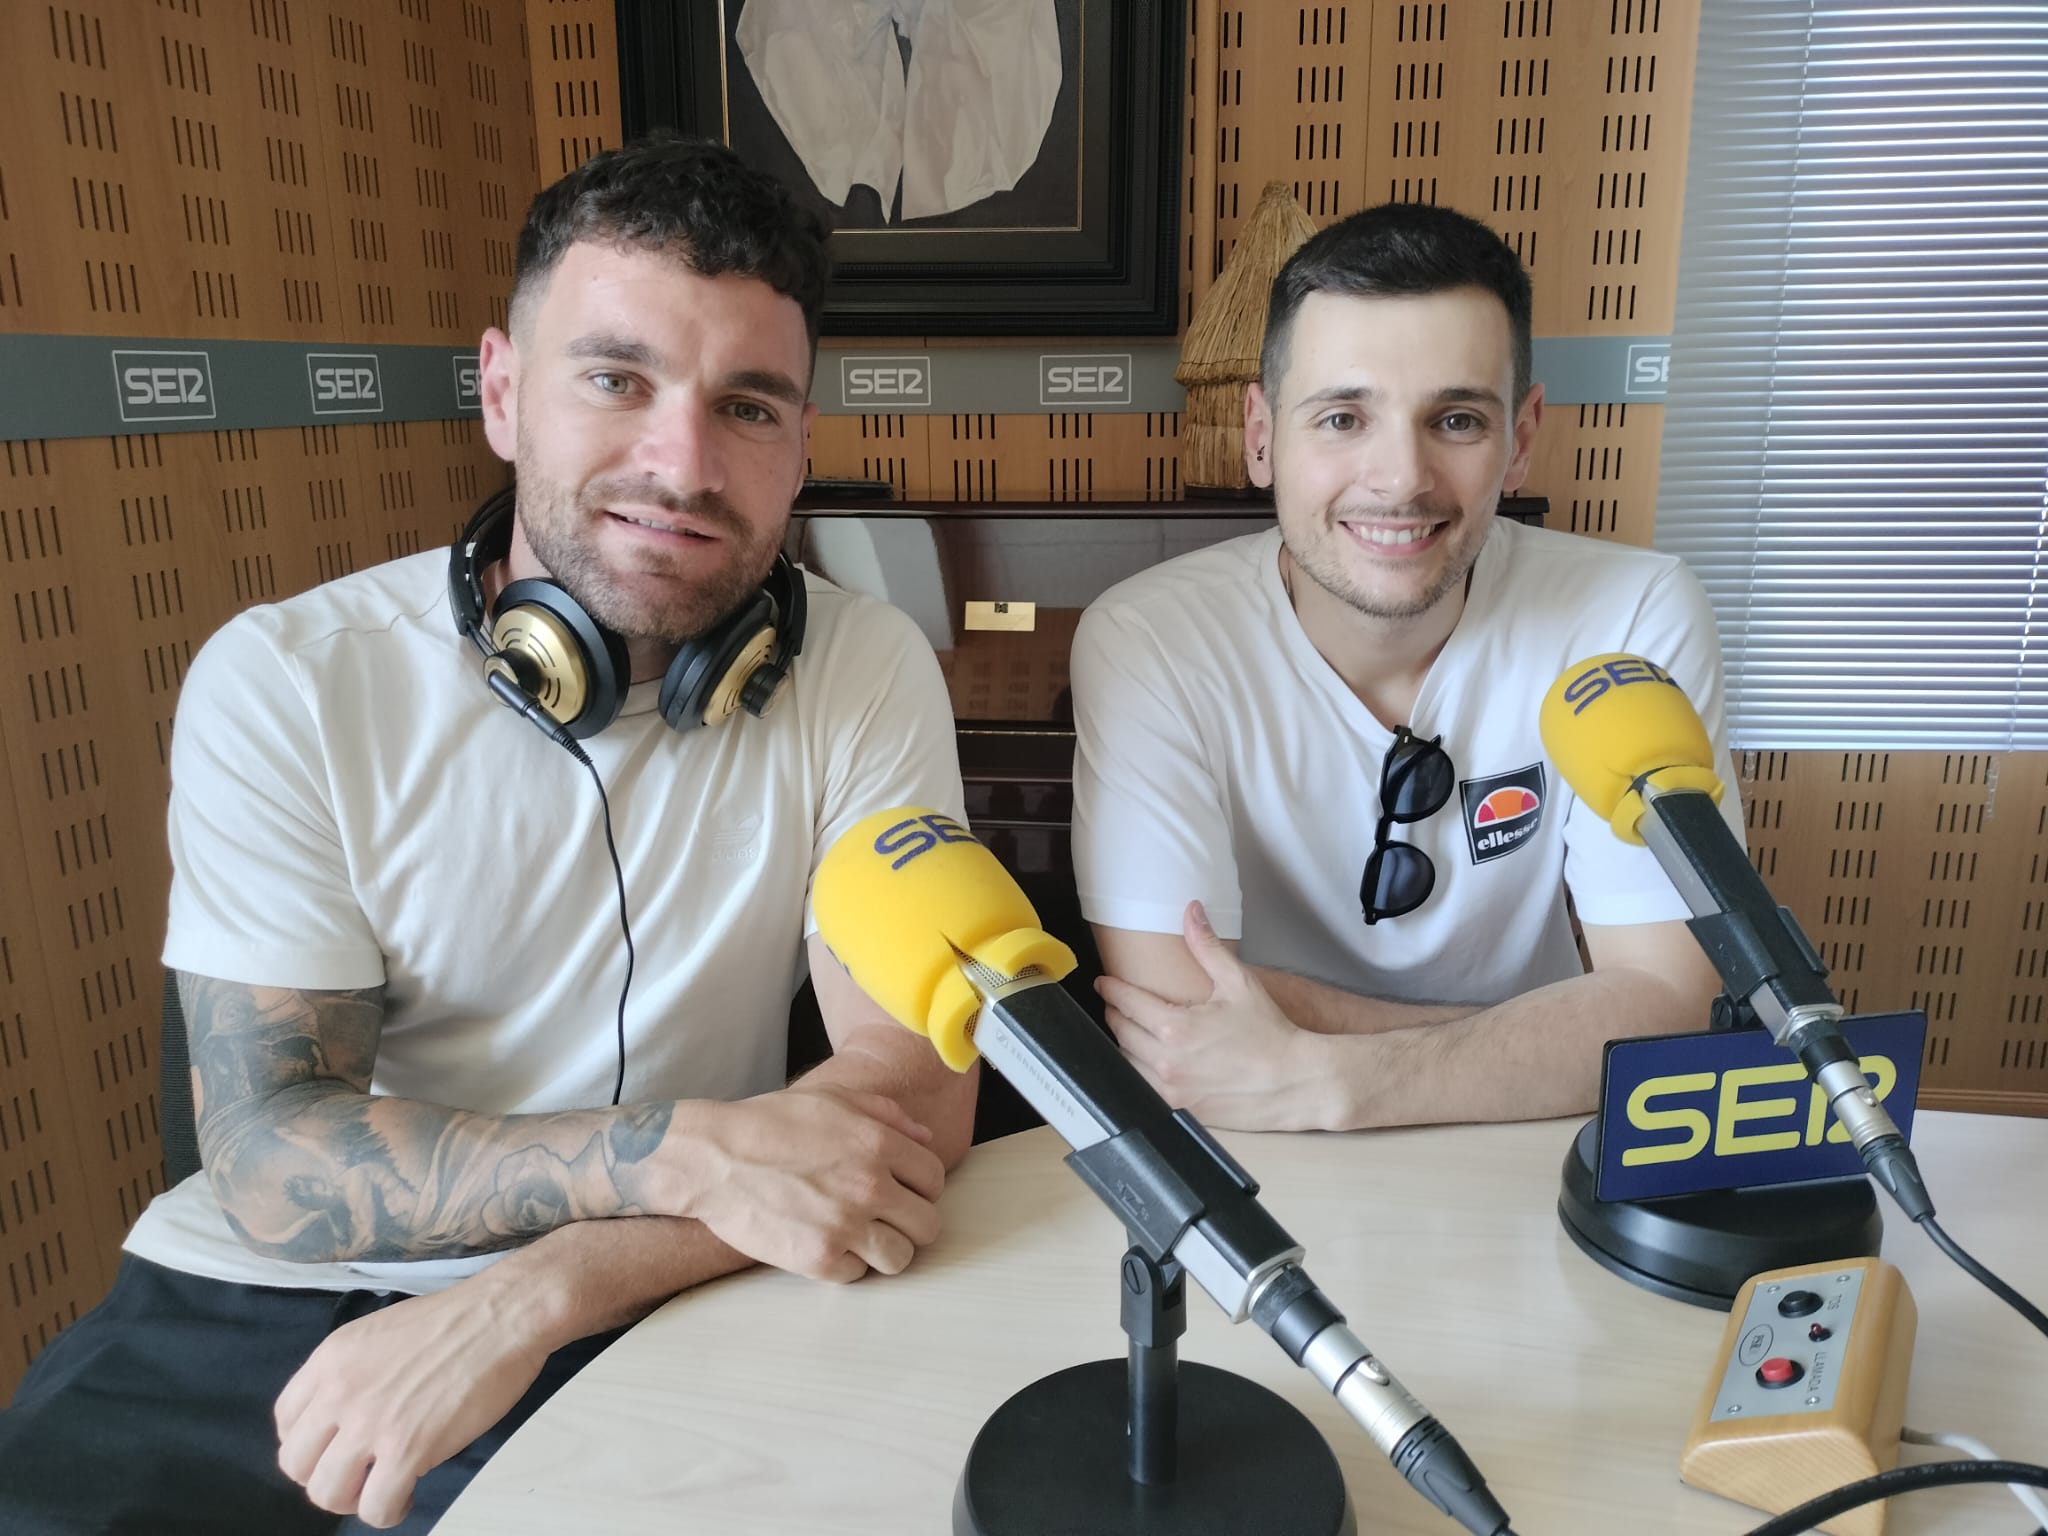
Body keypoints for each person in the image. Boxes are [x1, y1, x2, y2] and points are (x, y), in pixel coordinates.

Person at [0, 132, 976, 1534]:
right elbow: (274, 1159)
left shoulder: (867, 665)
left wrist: (550, 1286)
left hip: (666, 1284)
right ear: (503, 392)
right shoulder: (287, 678)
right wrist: (686, 1154)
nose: (682, 461)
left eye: (748, 406)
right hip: (254, 1307)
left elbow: (901, 1112)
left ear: (803, 440)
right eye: (615, 379)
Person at [1070, 201, 1735, 1134]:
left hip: (1523, 1148)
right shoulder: (1146, 639)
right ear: (1260, 435)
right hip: (1267, 1149)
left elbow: (1670, 1012)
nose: (1400, 479)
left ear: (1523, 435)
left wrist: (1338, 1078)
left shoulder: (1633, 614)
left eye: (1456, 419)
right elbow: (1176, 1023)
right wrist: (1547, 1041)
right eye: (1342, 416)